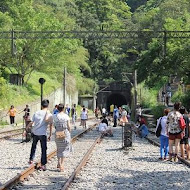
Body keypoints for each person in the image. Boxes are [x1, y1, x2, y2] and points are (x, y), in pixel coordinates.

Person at [27, 99, 53, 171]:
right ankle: (43, 165)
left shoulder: (37, 112)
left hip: (35, 132)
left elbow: (31, 122)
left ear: (41, 105)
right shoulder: (49, 114)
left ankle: (31, 159)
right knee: (43, 149)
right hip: (43, 134)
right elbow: (51, 125)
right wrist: (50, 135)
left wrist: (26, 129)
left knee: (33, 146)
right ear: (48, 106)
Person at [53, 104, 72, 172]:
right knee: (65, 148)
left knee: (59, 148)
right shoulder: (66, 116)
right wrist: (69, 132)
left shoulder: (55, 116)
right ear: (63, 109)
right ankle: (62, 164)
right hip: (64, 133)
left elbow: (54, 125)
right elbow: (69, 126)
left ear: (57, 109)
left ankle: (58, 162)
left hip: (57, 133)